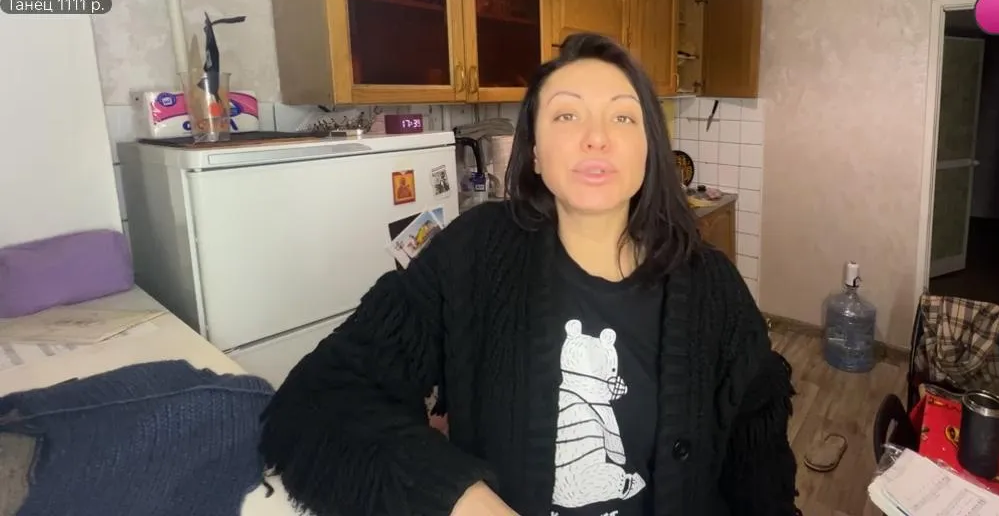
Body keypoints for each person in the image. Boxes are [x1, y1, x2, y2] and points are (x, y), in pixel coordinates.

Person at [258, 33, 799, 516]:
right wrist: (460, 499)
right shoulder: (475, 255)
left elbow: (760, 467)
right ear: (536, 153)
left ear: (648, 151)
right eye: (567, 116)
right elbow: (318, 401)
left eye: (623, 117)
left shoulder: (713, 289)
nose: (596, 137)